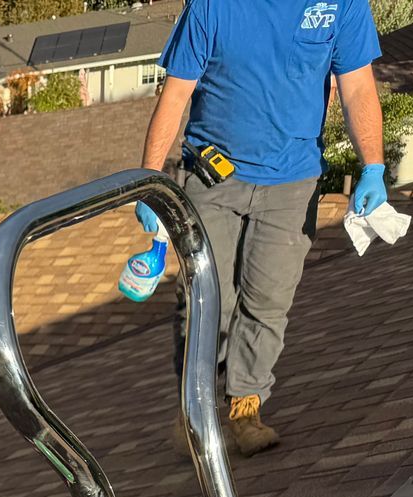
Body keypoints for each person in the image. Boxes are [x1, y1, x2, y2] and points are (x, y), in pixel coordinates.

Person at [139, 0, 385, 457]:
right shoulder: (213, 7)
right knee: (205, 298)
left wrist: (373, 166)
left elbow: (356, 88)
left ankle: (244, 409)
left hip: (292, 184)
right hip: (213, 177)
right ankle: (195, 409)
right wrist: (152, 181)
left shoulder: (342, 4)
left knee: (267, 302)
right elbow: (174, 96)